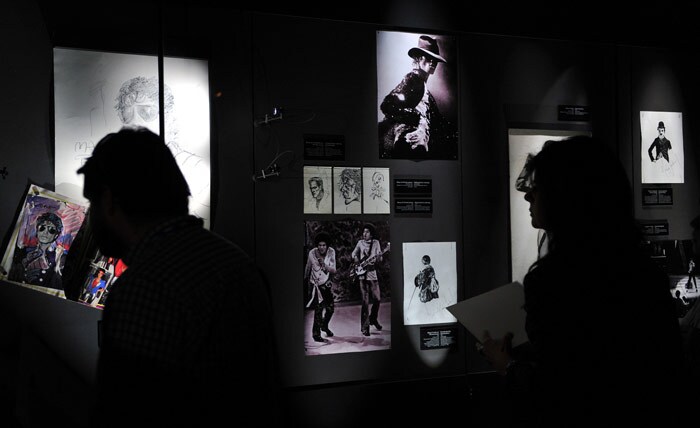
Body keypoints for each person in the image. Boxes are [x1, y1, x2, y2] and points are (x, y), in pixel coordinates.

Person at [77, 127, 279, 427]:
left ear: (109, 201)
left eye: (92, 204)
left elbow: (122, 413)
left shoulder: (143, 288)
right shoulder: (239, 264)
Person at [480, 135, 683, 426]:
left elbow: (560, 392)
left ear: (565, 196)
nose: (528, 196)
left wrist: (508, 366)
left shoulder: (553, 282)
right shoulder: (644, 274)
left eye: (538, 188)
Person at [378, 34, 456, 159]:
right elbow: (387, 105)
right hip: (401, 146)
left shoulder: (426, 91)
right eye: (428, 57)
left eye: (435, 59)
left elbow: (439, 122)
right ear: (418, 59)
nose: (432, 63)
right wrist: (415, 117)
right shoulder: (412, 80)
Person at [9, 211, 66, 290]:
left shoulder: (59, 257)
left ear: (56, 235)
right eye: (42, 227)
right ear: (37, 230)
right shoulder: (24, 252)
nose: (45, 232)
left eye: (51, 230)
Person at [351, 223, 386, 336]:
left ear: (371, 234)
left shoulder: (376, 243)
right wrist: (357, 260)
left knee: (377, 299)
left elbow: (380, 260)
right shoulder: (360, 243)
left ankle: (373, 319)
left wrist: (380, 256)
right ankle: (365, 327)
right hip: (362, 275)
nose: (364, 234)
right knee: (365, 301)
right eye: (364, 232)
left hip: (372, 273)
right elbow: (353, 254)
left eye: (367, 232)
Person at [304, 231, 337, 342]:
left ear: (327, 245)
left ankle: (324, 326)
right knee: (318, 309)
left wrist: (324, 265)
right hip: (315, 285)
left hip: (325, 283)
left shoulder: (331, 252)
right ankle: (316, 334)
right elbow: (308, 268)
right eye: (319, 245)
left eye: (324, 245)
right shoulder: (312, 253)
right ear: (317, 245)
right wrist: (305, 282)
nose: (321, 247)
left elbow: (333, 270)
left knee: (330, 308)